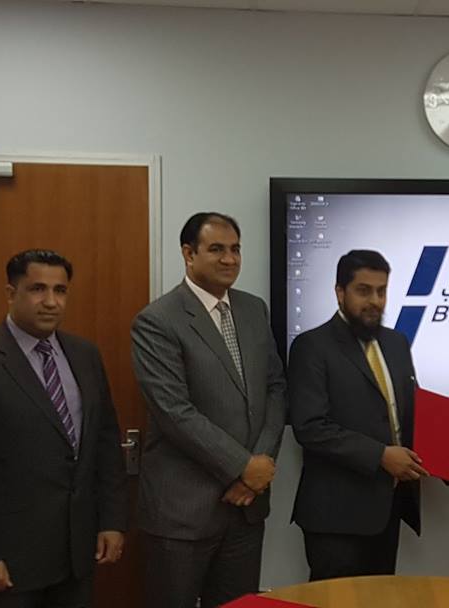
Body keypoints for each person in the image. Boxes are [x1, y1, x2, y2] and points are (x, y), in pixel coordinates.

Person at [0, 249, 127, 608]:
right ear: (11, 293)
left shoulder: (85, 355)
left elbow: (105, 442)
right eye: (38, 289)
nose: (51, 301)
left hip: (76, 555)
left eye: (60, 290)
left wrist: (112, 521)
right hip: (7, 562)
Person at [131, 212, 286, 608]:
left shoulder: (254, 309)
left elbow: (275, 388)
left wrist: (258, 468)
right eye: (216, 249)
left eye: (235, 249)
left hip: (246, 508)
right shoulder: (157, 320)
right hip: (184, 512)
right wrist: (242, 466)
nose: (229, 259)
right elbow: (174, 412)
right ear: (189, 254)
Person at [287, 250, 428, 581]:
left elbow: (414, 415)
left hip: (388, 509)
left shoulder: (396, 343)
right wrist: (381, 455)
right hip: (335, 517)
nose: (375, 301)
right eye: (364, 291)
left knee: (379, 600)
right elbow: (310, 427)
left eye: (381, 291)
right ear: (340, 292)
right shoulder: (311, 346)